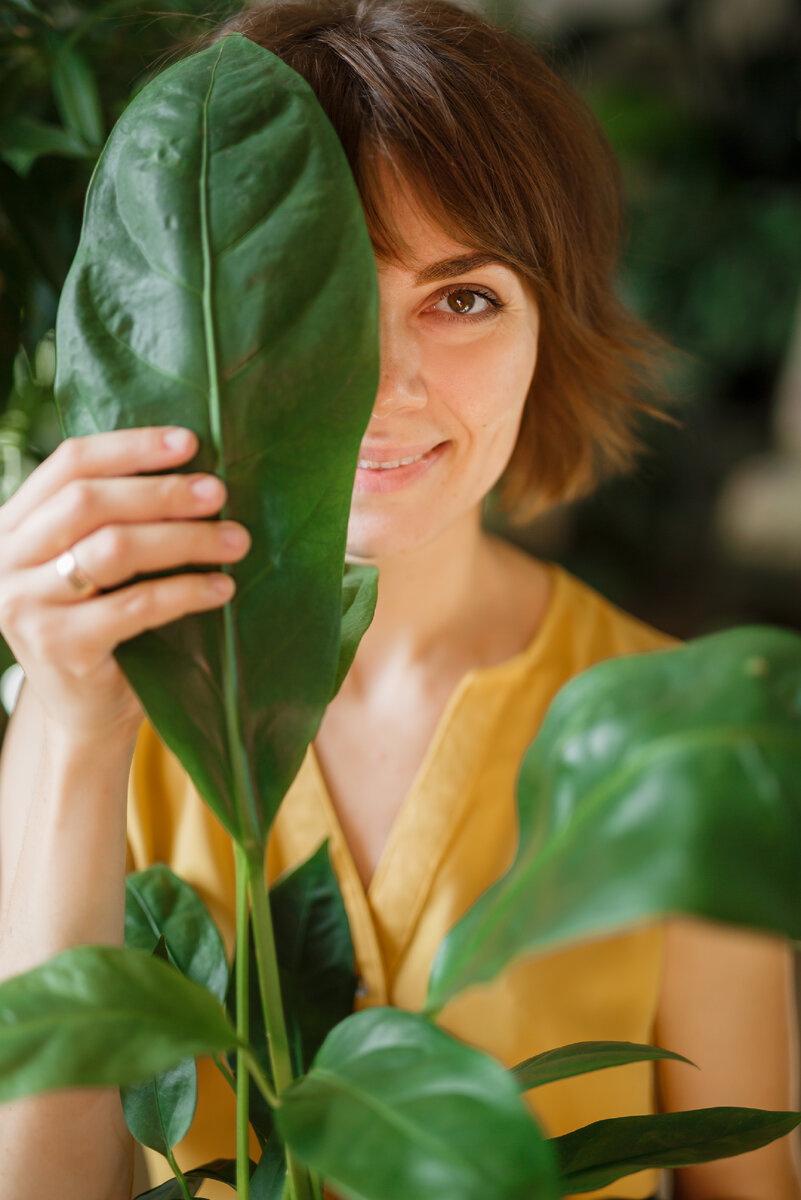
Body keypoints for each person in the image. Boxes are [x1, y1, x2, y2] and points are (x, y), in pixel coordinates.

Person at [0, 1, 799, 1198]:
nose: (384, 381)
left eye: (464, 296)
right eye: (311, 289)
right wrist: (74, 728)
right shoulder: (99, 710)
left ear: (549, 327)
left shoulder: (668, 742)